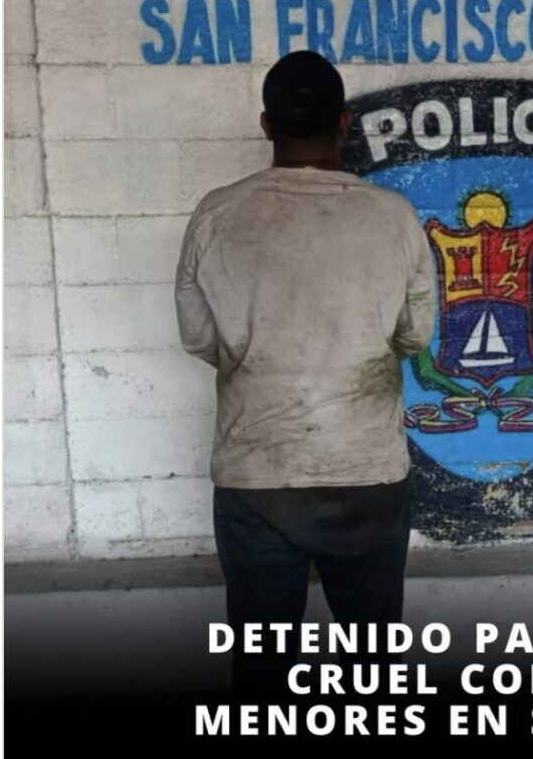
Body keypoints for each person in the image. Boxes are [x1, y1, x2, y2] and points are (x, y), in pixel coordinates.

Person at [175, 51, 436, 692]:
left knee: (262, 671)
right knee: (374, 668)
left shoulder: (217, 214)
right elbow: (415, 336)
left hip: (257, 473)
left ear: (266, 125)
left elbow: (200, 338)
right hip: (366, 473)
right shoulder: (393, 216)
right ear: (344, 122)